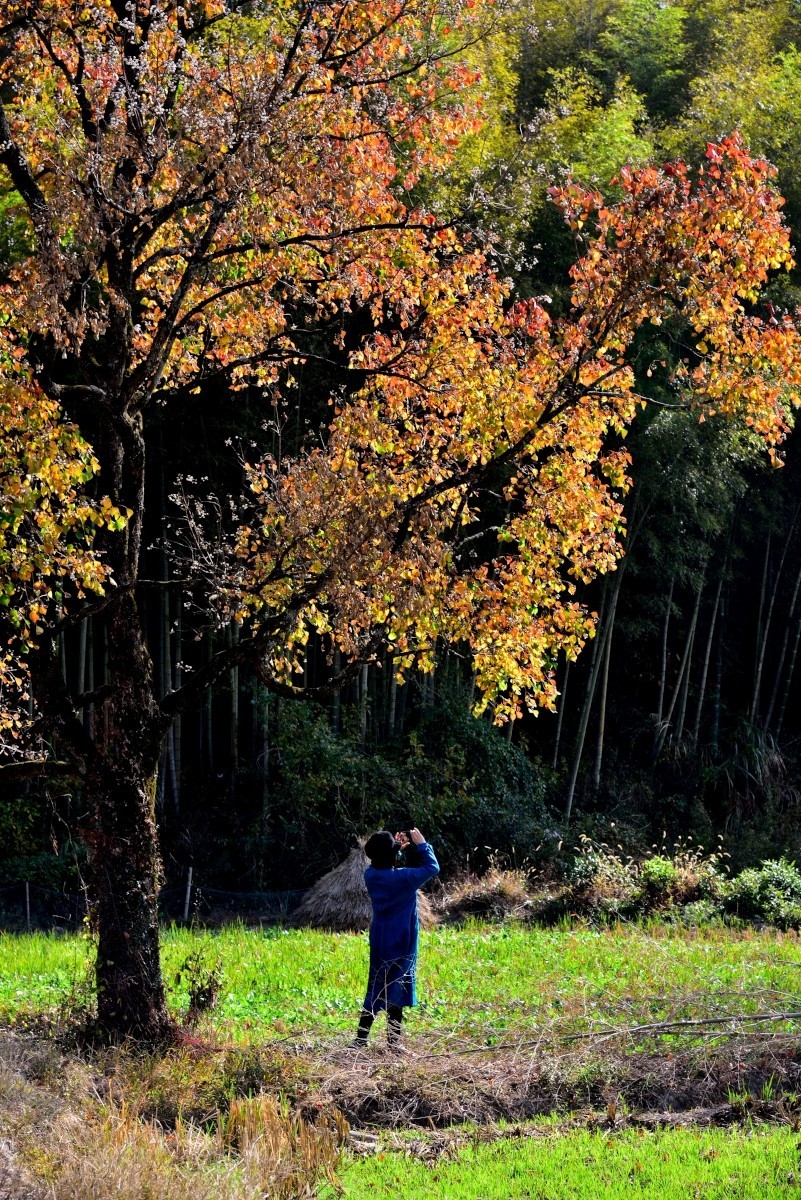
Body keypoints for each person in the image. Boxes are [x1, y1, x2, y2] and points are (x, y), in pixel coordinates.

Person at [352, 827, 439, 1050]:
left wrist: (394, 850)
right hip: (402, 938)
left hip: (380, 937)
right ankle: (393, 1044)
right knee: (396, 988)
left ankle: (360, 1040)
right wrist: (422, 845)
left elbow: (386, 864)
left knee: (377, 985)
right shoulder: (403, 879)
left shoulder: (370, 875)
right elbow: (432, 867)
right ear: (391, 856)